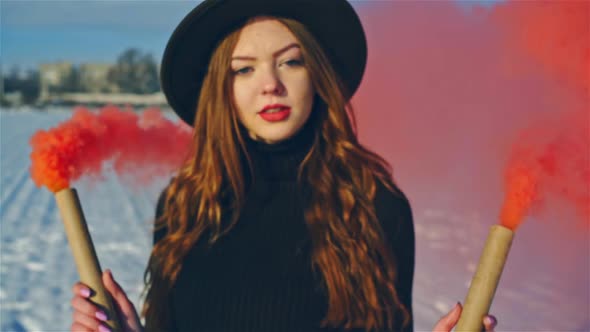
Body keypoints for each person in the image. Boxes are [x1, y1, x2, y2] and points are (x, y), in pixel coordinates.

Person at [70, 1, 498, 331]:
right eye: (244, 69)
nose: (270, 84)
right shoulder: (185, 205)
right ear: (224, 89)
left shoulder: (374, 205)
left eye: (291, 61)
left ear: (317, 75)